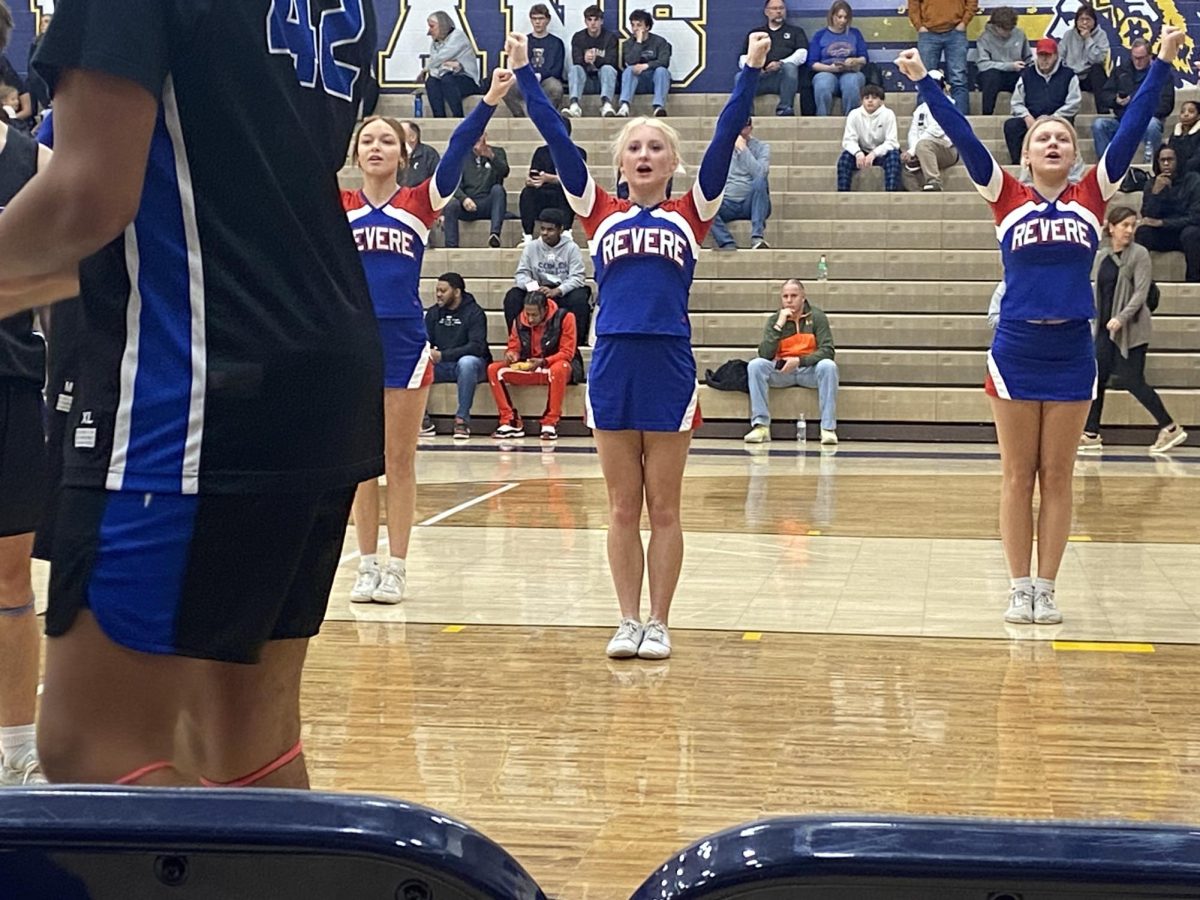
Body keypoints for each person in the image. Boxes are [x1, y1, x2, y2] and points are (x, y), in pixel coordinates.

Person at [0, 0, 383, 788]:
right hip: (318, 363)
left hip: (193, 375)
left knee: (94, 749)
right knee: (245, 745)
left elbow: (87, 200)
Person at [894, 25, 1185, 626]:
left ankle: (1046, 587)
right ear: (1026, 154)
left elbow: (1130, 133)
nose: (1052, 142)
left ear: (1075, 154)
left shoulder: (1089, 198)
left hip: (1072, 348)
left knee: (1057, 475)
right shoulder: (1004, 198)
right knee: (1015, 476)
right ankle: (1016, 584)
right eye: (1041, 137)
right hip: (1017, 346)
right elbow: (966, 140)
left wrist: (1162, 64)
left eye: (1061, 137)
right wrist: (926, 85)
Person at [509, 29, 771, 659]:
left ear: (671, 162)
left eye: (656, 146)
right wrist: (523, 74)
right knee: (622, 506)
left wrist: (750, 69)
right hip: (614, 362)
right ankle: (627, 619)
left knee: (666, 506)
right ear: (621, 163)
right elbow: (558, 141)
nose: (646, 153)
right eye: (635, 148)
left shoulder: (692, 213)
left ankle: (660, 619)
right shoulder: (597, 212)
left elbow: (726, 129)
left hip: (669, 362)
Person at [344, 76, 513, 604]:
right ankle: (365, 563)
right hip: (352, 342)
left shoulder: (419, 202)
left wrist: (487, 102)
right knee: (358, 462)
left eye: (387, 140)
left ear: (403, 151)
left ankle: (396, 565)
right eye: (368, 140)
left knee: (399, 459)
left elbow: (461, 145)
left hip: (402, 342)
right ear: (354, 153)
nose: (377, 147)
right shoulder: (338, 201)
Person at [0, 5, 51, 785]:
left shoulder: (33, 162)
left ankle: (15, 750)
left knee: (8, 578)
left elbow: (52, 295)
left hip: (11, 380)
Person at [1080, 206, 1187, 453]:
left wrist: (1121, 317)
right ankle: (1091, 433)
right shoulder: (1102, 256)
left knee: (1132, 379)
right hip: (1104, 330)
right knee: (1097, 379)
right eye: (1125, 225)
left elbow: (1140, 293)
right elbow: (1096, 291)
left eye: (1132, 225)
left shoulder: (1139, 254)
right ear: (1112, 228)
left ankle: (1170, 427)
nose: (1129, 230)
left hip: (1132, 329)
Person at [742, 280, 839, 446]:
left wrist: (799, 361)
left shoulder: (817, 317)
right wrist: (779, 325)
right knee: (756, 365)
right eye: (785, 296)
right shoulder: (775, 319)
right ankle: (761, 426)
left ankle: (828, 429)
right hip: (783, 372)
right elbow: (765, 354)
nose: (789, 300)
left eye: (793, 296)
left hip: (808, 370)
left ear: (803, 297)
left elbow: (828, 351)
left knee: (828, 366)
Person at [488, 292, 584, 442]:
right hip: (531, 365)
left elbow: (567, 353)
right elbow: (514, 346)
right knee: (494, 369)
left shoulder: (565, 317)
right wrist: (512, 354)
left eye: (534, 315)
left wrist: (544, 361)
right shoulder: (519, 320)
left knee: (559, 368)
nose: (530, 319)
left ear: (545, 310)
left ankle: (550, 422)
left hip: (556, 366)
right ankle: (510, 420)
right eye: (528, 314)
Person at [504, 208, 592, 343]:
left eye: (550, 230)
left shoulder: (571, 248)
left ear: (561, 230)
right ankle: (518, 340)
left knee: (579, 298)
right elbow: (521, 274)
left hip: (561, 291)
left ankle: (576, 341)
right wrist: (535, 288)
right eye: (542, 229)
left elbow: (578, 277)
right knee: (513, 296)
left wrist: (558, 290)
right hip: (536, 289)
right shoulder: (531, 247)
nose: (545, 233)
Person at [423, 273, 491, 439]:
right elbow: (425, 341)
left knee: (466, 363)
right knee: (418, 362)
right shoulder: (433, 314)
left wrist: (443, 355)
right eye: (437, 290)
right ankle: (422, 419)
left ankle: (462, 420)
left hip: (474, 365)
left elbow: (476, 347)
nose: (438, 294)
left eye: (443, 290)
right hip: (445, 365)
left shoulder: (474, 312)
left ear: (457, 292)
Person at [1093, 39, 1174, 163]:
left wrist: (1143, 111)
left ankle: (1152, 163)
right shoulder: (1121, 71)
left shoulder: (1162, 74)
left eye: (1141, 58)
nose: (1137, 61)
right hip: (1123, 120)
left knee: (1152, 125)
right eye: (1135, 57)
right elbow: (1104, 95)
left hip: (1148, 119)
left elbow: (1167, 104)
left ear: (1150, 56)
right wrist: (1116, 100)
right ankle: (1106, 164)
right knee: (1099, 125)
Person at [1004, 37, 1080, 165]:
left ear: (1055, 56)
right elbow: (1016, 102)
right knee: (1012, 125)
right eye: (1041, 55)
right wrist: (1027, 117)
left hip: (1059, 120)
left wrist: (1053, 118)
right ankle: (1020, 163)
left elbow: (1074, 103)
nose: (1044, 59)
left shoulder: (1069, 75)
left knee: (1065, 126)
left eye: (1048, 55)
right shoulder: (1027, 74)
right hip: (1032, 121)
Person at [1135, 145, 1200, 283]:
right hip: (1163, 234)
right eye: (1162, 160)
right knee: (1143, 232)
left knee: (1192, 233)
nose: (1166, 164)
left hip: (1185, 232)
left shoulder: (1193, 180)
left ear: (1178, 161)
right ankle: (1141, 281)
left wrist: (1163, 223)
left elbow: (1196, 217)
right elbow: (1147, 215)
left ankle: (1194, 282)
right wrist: (1155, 193)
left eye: (1170, 160)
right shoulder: (1152, 183)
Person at [518, 116, 588, 243]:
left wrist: (550, 178)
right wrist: (531, 181)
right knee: (527, 193)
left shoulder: (578, 152)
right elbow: (534, 173)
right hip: (543, 192)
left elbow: (578, 180)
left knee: (569, 189)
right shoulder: (541, 152)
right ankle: (527, 234)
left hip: (563, 194)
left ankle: (567, 230)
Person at [740, 0, 812, 117]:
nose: (778, 12)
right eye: (774, 9)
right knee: (739, 77)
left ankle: (785, 108)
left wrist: (781, 63)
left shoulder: (796, 32)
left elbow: (802, 54)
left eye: (781, 8)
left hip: (782, 78)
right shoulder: (756, 33)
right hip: (760, 77)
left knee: (790, 67)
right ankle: (746, 114)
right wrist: (756, 68)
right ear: (766, 12)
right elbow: (743, 58)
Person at [710, 118, 772, 249]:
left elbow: (760, 173)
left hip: (752, 203)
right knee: (704, 203)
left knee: (761, 181)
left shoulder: (761, 147)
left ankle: (757, 237)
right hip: (728, 202)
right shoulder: (720, 147)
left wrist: (743, 150)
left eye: (744, 128)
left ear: (750, 128)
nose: (740, 131)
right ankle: (727, 243)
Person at [441, 131, 509, 248]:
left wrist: (491, 157)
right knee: (452, 205)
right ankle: (451, 246)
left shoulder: (497, 152)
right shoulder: (461, 156)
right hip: (468, 203)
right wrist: (464, 199)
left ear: (485, 136)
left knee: (498, 189)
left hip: (488, 202)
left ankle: (494, 235)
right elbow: (454, 183)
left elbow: (505, 172)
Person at [907, 0, 976, 114]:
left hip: (956, 32)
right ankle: (922, 118)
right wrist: (919, 26)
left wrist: (964, 22)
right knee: (924, 77)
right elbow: (913, 3)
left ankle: (961, 121)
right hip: (928, 33)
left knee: (958, 78)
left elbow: (972, 2)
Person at [808, 1, 869, 116]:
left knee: (851, 83)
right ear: (832, 16)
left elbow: (864, 58)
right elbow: (812, 63)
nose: (843, 21)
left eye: (846, 17)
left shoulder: (855, 33)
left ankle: (851, 120)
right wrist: (830, 68)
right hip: (826, 71)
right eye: (839, 17)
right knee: (822, 85)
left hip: (851, 71)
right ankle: (822, 119)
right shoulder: (820, 35)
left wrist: (855, 61)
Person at [504, 4, 566, 117]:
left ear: (547, 20)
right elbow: (517, 64)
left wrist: (540, 75)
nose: (537, 22)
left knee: (555, 86)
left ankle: (546, 117)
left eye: (541, 18)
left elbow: (557, 70)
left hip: (546, 81)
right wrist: (528, 76)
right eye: (534, 18)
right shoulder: (523, 42)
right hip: (526, 79)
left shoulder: (556, 43)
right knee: (507, 87)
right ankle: (521, 116)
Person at [837, 84, 901, 191]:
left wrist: (874, 153)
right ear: (862, 101)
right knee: (844, 159)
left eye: (874, 98)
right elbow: (848, 140)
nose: (870, 101)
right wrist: (858, 153)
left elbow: (892, 141)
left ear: (881, 101)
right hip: (862, 151)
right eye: (867, 98)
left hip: (882, 153)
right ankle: (843, 193)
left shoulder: (888, 114)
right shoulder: (854, 114)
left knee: (894, 157)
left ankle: (891, 192)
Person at [902, 69, 958, 191]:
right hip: (922, 147)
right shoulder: (920, 108)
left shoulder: (948, 105)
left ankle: (934, 181)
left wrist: (913, 150)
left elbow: (936, 131)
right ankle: (917, 196)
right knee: (902, 159)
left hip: (947, 149)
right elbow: (913, 132)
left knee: (923, 145)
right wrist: (912, 151)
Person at [421, 10, 482, 118]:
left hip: (467, 80)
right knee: (431, 81)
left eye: (432, 26)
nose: (429, 31)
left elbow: (440, 57)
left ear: (442, 25)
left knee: (447, 80)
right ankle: (439, 118)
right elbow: (436, 65)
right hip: (446, 77)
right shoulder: (435, 43)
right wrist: (433, 69)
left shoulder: (458, 36)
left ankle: (458, 116)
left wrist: (426, 68)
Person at [975, 7, 1032, 116]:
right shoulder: (985, 38)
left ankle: (1028, 113)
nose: (1008, 32)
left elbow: (1028, 58)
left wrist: (1025, 66)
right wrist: (1010, 66)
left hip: (1014, 74)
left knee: (1028, 76)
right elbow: (983, 64)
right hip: (993, 76)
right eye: (1005, 29)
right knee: (991, 75)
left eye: (1010, 29)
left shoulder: (1019, 34)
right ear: (996, 26)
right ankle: (987, 115)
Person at [565, 5, 620, 118]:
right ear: (585, 21)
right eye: (589, 20)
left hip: (603, 82)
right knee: (575, 69)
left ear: (601, 21)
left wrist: (597, 59)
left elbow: (612, 61)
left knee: (608, 69)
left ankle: (606, 105)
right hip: (585, 81)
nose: (593, 23)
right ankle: (574, 105)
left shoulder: (610, 37)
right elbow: (576, 60)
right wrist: (584, 60)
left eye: (596, 20)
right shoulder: (578, 37)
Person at [617, 9, 672, 118]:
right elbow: (630, 61)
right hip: (637, 82)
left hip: (654, 81)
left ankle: (658, 107)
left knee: (662, 71)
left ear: (647, 27)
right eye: (633, 25)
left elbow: (664, 61)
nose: (635, 28)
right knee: (629, 70)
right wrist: (638, 42)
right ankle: (624, 106)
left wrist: (646, 66)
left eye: (639, 25)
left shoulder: (660, 42)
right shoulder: (628, 43)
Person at [1058, 4, 1110, 113]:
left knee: (1098, 70)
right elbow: (1059, 56)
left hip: (1088, 77)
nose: (1085, 22)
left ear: (1094, 21)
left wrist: (1088, 39)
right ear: (1076, 21)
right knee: (1059, 72)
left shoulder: (1101, 35)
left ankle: (1103, 112)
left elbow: (1098, 59)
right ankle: (1059, 113)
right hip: (1071, 75)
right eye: (1081, 19)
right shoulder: (1068, 35)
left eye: (1088, 19)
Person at [398, 120, 440, 189]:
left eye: (400, 132)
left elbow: (437, 180)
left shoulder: (428, 154)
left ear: (413, 137)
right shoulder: (392, 154)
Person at [1166, 100, 1200, 177]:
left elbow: (1196, 160)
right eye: (1182, 112)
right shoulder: (1175, 135)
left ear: (1198, 116)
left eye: (1191, 112)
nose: (1186, 114)